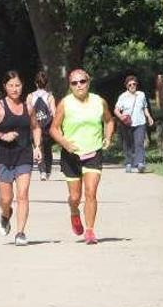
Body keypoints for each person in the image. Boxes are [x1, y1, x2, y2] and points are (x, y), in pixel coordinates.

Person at [49, 69, 115, 245]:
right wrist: (65, 143)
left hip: (93, 152)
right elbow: (54, 128)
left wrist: (108, 137)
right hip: (71, 155)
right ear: (70, 85)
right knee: (75, 197)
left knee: (91, 193)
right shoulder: (65, 103)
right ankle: (73, 211)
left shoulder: (99, 101)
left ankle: (90, 231)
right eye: (74, 83)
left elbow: (109, 120)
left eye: (82, 81)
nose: (79, 85)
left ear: (88, 82)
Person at [0, 71, 42, 246]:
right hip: (3, 157)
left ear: (22, 86)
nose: (15, 89)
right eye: (11, 85)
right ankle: (5, 214)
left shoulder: (28, 107)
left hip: (24, 155)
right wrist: (2, 136)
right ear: (5, 87)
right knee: (6, 199)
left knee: (23, 194)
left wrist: (37, 147)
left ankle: (20, 233)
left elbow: (36, 127)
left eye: (18, 85)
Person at [114, 75, 154, 173]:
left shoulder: (141, 95)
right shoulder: (123, 96)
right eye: (130, 84)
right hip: (127, 124)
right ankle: (128, 163)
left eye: (134, 84)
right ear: (127, 86)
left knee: (139, 143)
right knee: (128, 144)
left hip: (140, 122)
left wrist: (149, 117)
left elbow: (144, 107)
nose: (132, 86)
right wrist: (121, 117)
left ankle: (140, 163)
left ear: (137, 85)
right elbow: (116, 110)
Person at [26, 70, 56, 180]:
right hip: (47, 127)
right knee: (48, 149)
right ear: (46, 83)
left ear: (35, 83)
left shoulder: (30, 96)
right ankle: (47, 170)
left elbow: (27, 111)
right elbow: (54, 112)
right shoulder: (49, 97)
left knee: (38, 147)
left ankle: (42, 171)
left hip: (34, 126)